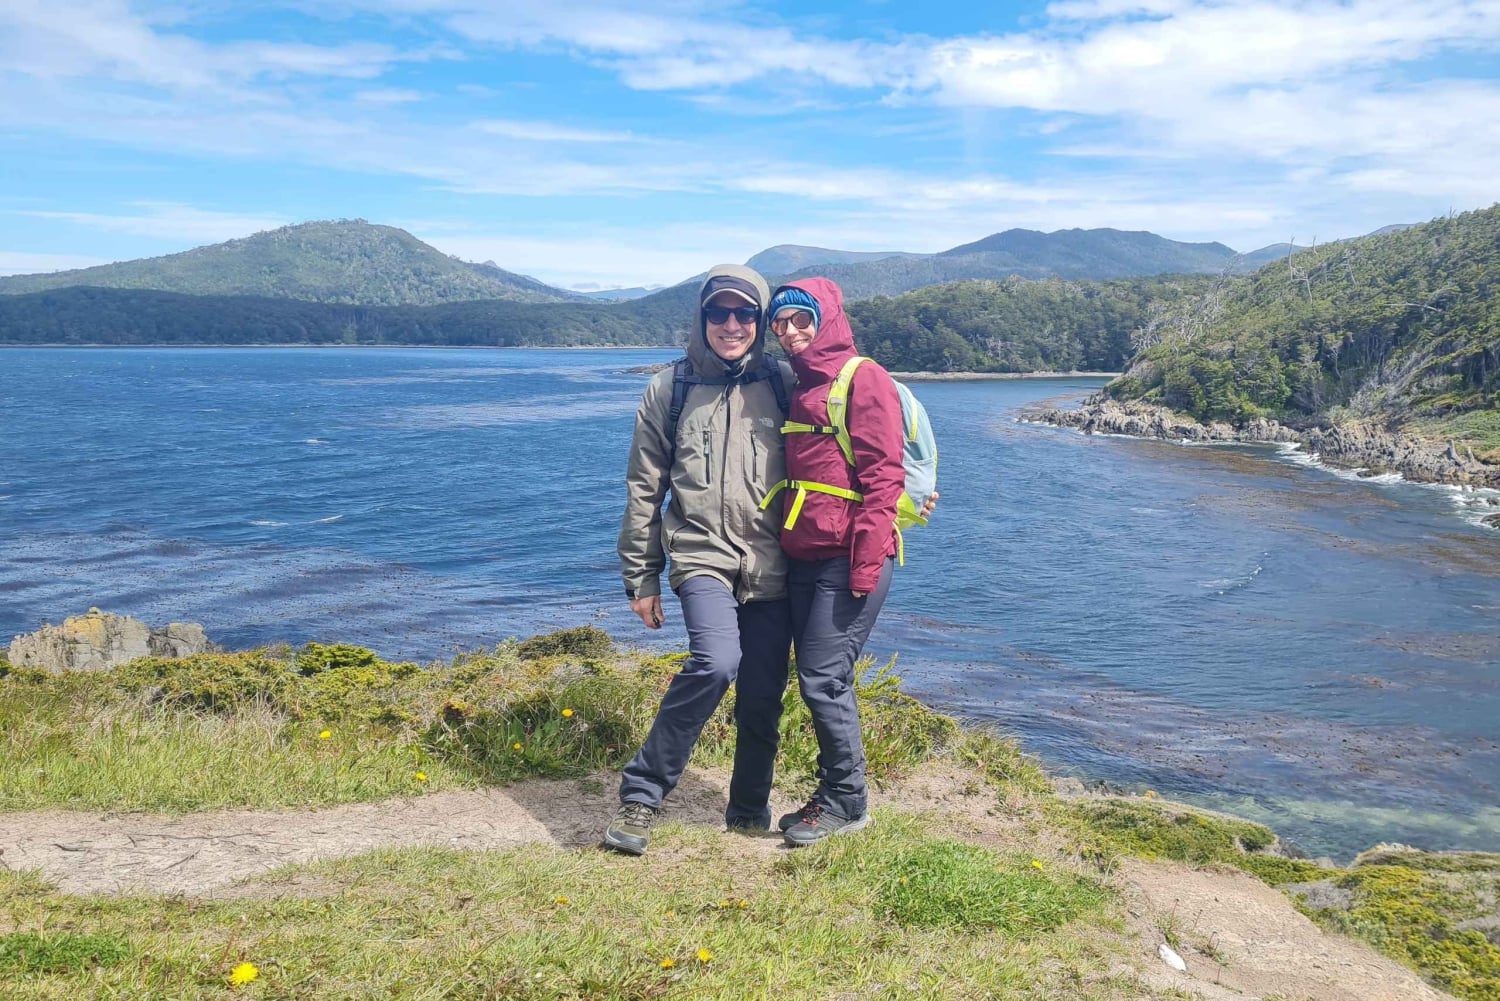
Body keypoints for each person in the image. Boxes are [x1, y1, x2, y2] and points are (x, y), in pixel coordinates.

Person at [605, 264, 795, 855]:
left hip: (776, 561)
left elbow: (859, 440)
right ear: (702, 318)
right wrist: (642, 574)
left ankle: (747, 810)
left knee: (763, 689)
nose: (732, 325)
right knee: (715, 663)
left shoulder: (787, 382)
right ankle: (642, 794)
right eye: (720, 313)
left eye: (745, 314)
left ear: (761, 321)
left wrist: (910, 493)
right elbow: (645, 488)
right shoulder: (671, 388)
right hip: (700, 554)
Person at [762, 277, 906, 846]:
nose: (791, 332)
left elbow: (883, 478)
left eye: (802, 319)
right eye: (781, 323)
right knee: (820, 677)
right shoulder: (799, 383)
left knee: (823, 679)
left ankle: (849, 801)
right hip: (804, 554)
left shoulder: (861, 377)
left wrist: (865, 566)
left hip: (848, 560)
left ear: (827, 317)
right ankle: (832, 794)